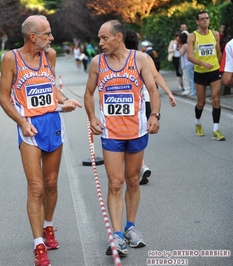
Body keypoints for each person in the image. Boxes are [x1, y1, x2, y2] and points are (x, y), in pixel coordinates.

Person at [0, 15, 82, 266]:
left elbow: (51, 87)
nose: (52, 37)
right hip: (29, 128)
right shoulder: (11, 58)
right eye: (47, 34)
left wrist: (64, 100)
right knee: (36, 187)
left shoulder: (50, 56)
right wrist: (22, 122)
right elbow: (3, 98)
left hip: (53, 124)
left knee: (51, 183)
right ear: (33, 36)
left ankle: (48, 226)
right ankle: (38, 244)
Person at [84, 20, 160, 256]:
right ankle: (116, 235)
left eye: (104, 38)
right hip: (111, 133)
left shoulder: (140, 59)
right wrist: (92, 116)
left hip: (136, 131)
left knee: (133, 181)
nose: (100, 43)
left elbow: (153, 89)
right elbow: (88, 93)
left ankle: (131, 228)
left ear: (118, 37)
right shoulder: (97, 62)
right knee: (115, 183)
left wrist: (155, 115)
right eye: (99, 38)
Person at [125, 31, 176, 185]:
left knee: (128, 137)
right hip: (146, 103)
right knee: (137, 136)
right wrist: (169, 93)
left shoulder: (119, 59)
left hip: (132, 103)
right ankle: (140, 165)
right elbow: (157, 76)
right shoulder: (144, 57)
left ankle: (140, 166)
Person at [187, 11, 225, 141]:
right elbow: (189, 56)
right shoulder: (193, 36)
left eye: (207, 18)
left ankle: (216, 129)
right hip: (200, 72)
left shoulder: (215, 34)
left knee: (216, 99)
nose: (205, 21)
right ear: (197, 22)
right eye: (202, 19)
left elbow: (219, 52)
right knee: (201, 102)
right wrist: (202, 63)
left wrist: (218, 66)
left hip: (214, 71)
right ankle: (198, 123)